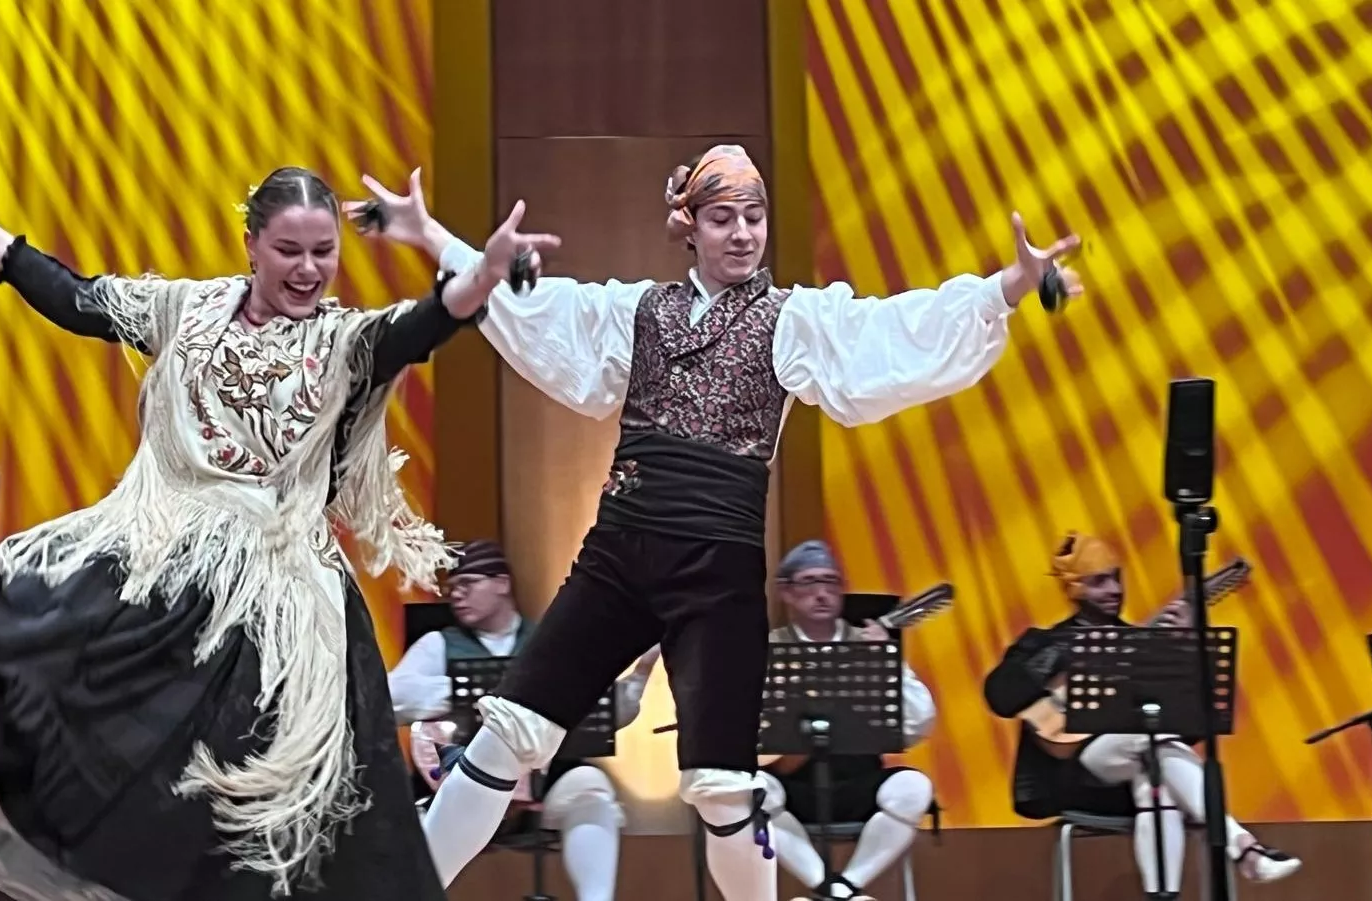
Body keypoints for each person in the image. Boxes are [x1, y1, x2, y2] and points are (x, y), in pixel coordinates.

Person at [0, 159, 560, 901]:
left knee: (268, 827)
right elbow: (73, 298)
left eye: (323, 252)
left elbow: (428, 323)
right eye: (288, 251)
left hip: (277, 600)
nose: (307, 269)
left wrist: (482, 277)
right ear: (251, 244)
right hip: (151, 550)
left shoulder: (344, 340)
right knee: (9, 666)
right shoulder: (185, 309)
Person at [350, 145, 1084, 901]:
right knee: (507, 735)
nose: (743, 234)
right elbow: (533, 305)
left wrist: (1008, 285)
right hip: (619, 555)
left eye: (755, 217)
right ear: (689, 227)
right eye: (724, 217)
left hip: (719, 573)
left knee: (726, 792)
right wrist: (427, 233)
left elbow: (892, 331)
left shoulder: (791, 319)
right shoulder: (637, 311)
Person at [982, 532, 1301, 898]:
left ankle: (1165, 894)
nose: (1115, 589)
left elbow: (1189, 728)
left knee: (1154, 771)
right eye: (1100, 581)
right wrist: (1069, 656)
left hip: (1134, 775)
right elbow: (1000, 697)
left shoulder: (1140, 643)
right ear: (1074, 589)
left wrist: (1182, 646)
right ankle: (1243, 847)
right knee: (1149, 745)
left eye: (1117, 577)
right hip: (1073, 777)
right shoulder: (1043, 641)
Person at [389, 540, 657, 901]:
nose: (457, 595)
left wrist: (638, 678)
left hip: (541, 783)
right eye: (453, 588)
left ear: (502, 583)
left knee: (590, 786)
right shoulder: (438, 644)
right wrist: (472, 688)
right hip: (455, 777)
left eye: (469, 583)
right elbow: (392, 698)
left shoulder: (545, 641)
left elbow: (602, 715)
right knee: (406, 815)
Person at [759, 541, 934, 901]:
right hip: (795, 786)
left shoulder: (870, 644)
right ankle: (827, 886)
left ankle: (842, 889)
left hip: (858, 781)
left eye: (831, 582)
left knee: (913, 788)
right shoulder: (766, 650)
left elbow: (919, 724)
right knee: (748, 792)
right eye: (808, 582)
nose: (821, 593)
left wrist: (887, 661)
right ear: (787, 593)